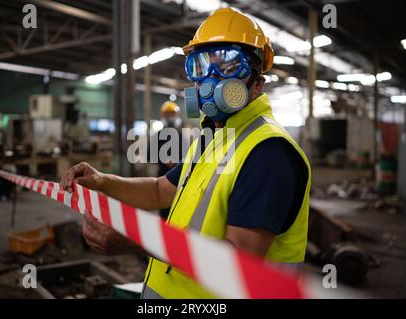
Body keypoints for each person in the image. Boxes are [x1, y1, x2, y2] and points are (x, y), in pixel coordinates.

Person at [60, 7, 311, 299]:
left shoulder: (268, 152)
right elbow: (158, 190)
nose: (210, 79)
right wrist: (102, 180)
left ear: (257, 84)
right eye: (200, 65)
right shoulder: (213, 137)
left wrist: (136, 238)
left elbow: (238, 263)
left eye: (230, 66)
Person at [150, 101, 185, 219]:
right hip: (162, 176)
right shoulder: (157, 136)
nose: (170, 117)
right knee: (164, 212)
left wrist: (178, 161)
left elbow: (188, 154)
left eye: (172, 114)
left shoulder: (181, 135)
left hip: (178, 177)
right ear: (163, 115)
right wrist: (163, 160)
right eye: (167, 114)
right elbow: (150, 155)